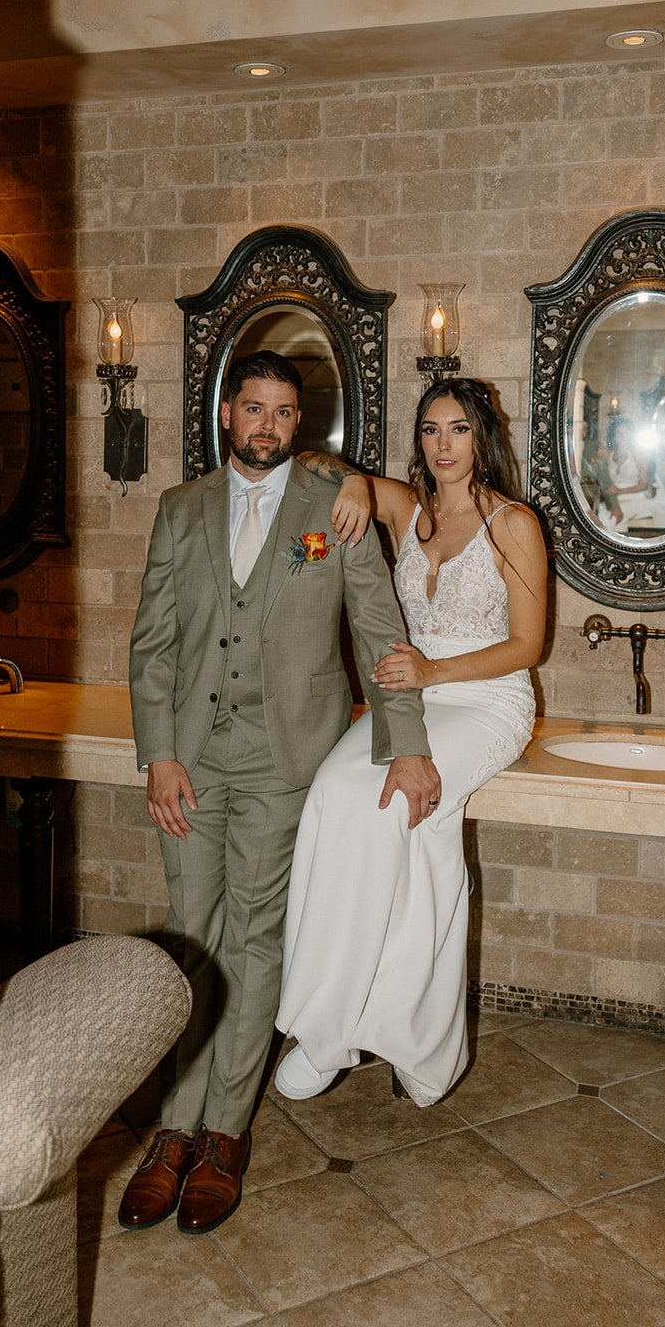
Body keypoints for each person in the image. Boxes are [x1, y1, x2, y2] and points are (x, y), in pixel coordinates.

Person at [119, 351, 438, 1234]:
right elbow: (152, 645)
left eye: (283, 413)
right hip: (190, 758)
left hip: (281, 760)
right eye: (251, 409)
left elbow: (380, 630)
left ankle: (221, 1133)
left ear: (301, 426)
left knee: (253, 936)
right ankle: (171, 1130)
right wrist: (159, 756)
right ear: (227, 416)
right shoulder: (179, 510)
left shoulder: (335, 509)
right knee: (190, 935)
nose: (265, 425)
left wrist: (404, 744)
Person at [275, 378, 547, 1107]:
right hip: (406, 701)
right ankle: (410, 1045)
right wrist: (360, 484)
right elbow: (306, 464)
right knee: (335, 794)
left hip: (485, 703)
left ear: (482, 437)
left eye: (457, 429)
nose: (443, 445)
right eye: (429, 431)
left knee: (391, 805)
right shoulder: (407, 505)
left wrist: (433, 668)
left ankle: (329, 1035)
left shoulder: (511, 523)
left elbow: (527, 644)